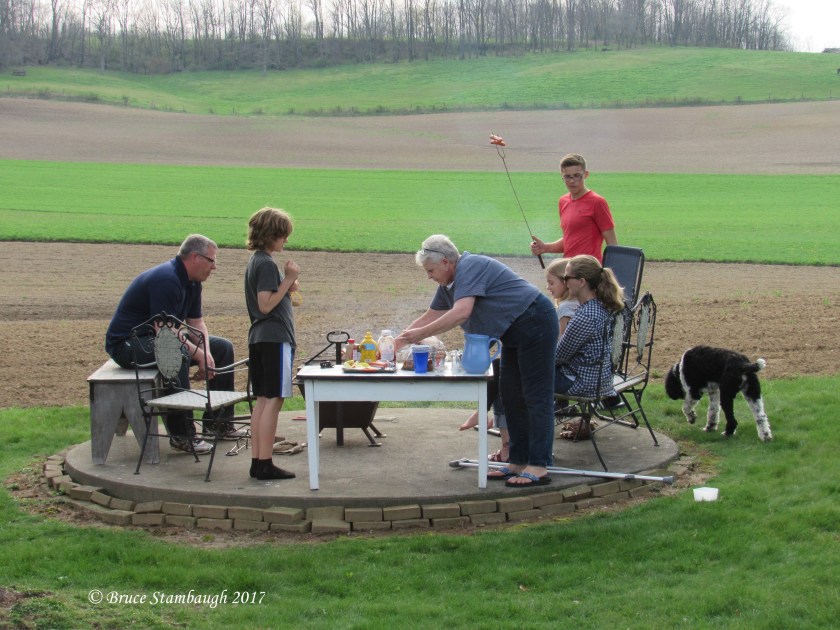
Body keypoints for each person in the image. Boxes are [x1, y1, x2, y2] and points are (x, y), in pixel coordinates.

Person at [396, 235, 559, 488]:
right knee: (510, 394)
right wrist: (395, 343)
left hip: (534, 320)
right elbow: (430, 316)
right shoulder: (449, 285)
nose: (429, 276)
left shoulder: (470, 267)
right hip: (512, 330)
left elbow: (461, 312)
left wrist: (419, 336)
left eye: (430, 270)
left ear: (447, 262)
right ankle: (517, 460)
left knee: (535, 396)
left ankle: (538, 465)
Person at [105, 234, 240, 454]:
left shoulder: (193, 283)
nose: (214, 267)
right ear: (195, 257)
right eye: (212, 260)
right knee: (177, 354)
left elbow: (196, 322)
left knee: (222, 348)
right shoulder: (166, 280)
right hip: (128, 344)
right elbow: (166, 333)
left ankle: (219, 422)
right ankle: (182, 435)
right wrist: (198, 355)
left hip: (159, 338)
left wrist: (206, 352)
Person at [244, 207, 300, 481]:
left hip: (260, 339)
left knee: (263, 400)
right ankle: (265, 462)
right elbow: (265, 305)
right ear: (272, 235)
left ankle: (257, 461)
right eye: (283, 236)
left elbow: (265, 299)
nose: (285, 241)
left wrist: (285, 288)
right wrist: (288, 279)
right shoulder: (266, 263)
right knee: (273, 400)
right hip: (274, 339)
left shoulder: (256, 261)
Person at [554, 255, 625, 398]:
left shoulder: (586, 316)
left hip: (583, 384)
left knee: (518, 371)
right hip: (602, 380)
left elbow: (558, 356)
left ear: (581, 282)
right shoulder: (603, 305)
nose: (564, 282)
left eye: (566, 278)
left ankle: (512, 419)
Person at [530, 153, 618, 263]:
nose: (572, 181)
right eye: (567, 176)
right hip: (569, 267)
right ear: (562, 176)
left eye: (577, 175)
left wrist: (608, 274)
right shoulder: (563, 201)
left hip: (589, 269)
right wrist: (545, 248)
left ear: (585, 174)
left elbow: (612, 244)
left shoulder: (597, 202)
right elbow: (570, 240)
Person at [545, 258, 579, 337]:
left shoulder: (565, 307)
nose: (548, 287)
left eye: (551, 283)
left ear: (565, 282)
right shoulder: (579, 301)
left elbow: (561, 341)